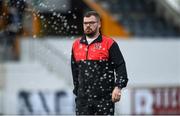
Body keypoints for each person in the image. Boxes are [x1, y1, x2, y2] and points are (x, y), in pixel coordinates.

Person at [71, 11, 128, 115]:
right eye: (85, 23)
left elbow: (120, 66)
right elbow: (74, 70)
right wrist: (77, 90)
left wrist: (118, 87)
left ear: (99, 24)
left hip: (104, 99)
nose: (88, 25)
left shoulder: (109, 43)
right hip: (83, 100)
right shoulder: (76, 45)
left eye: (92, 23)